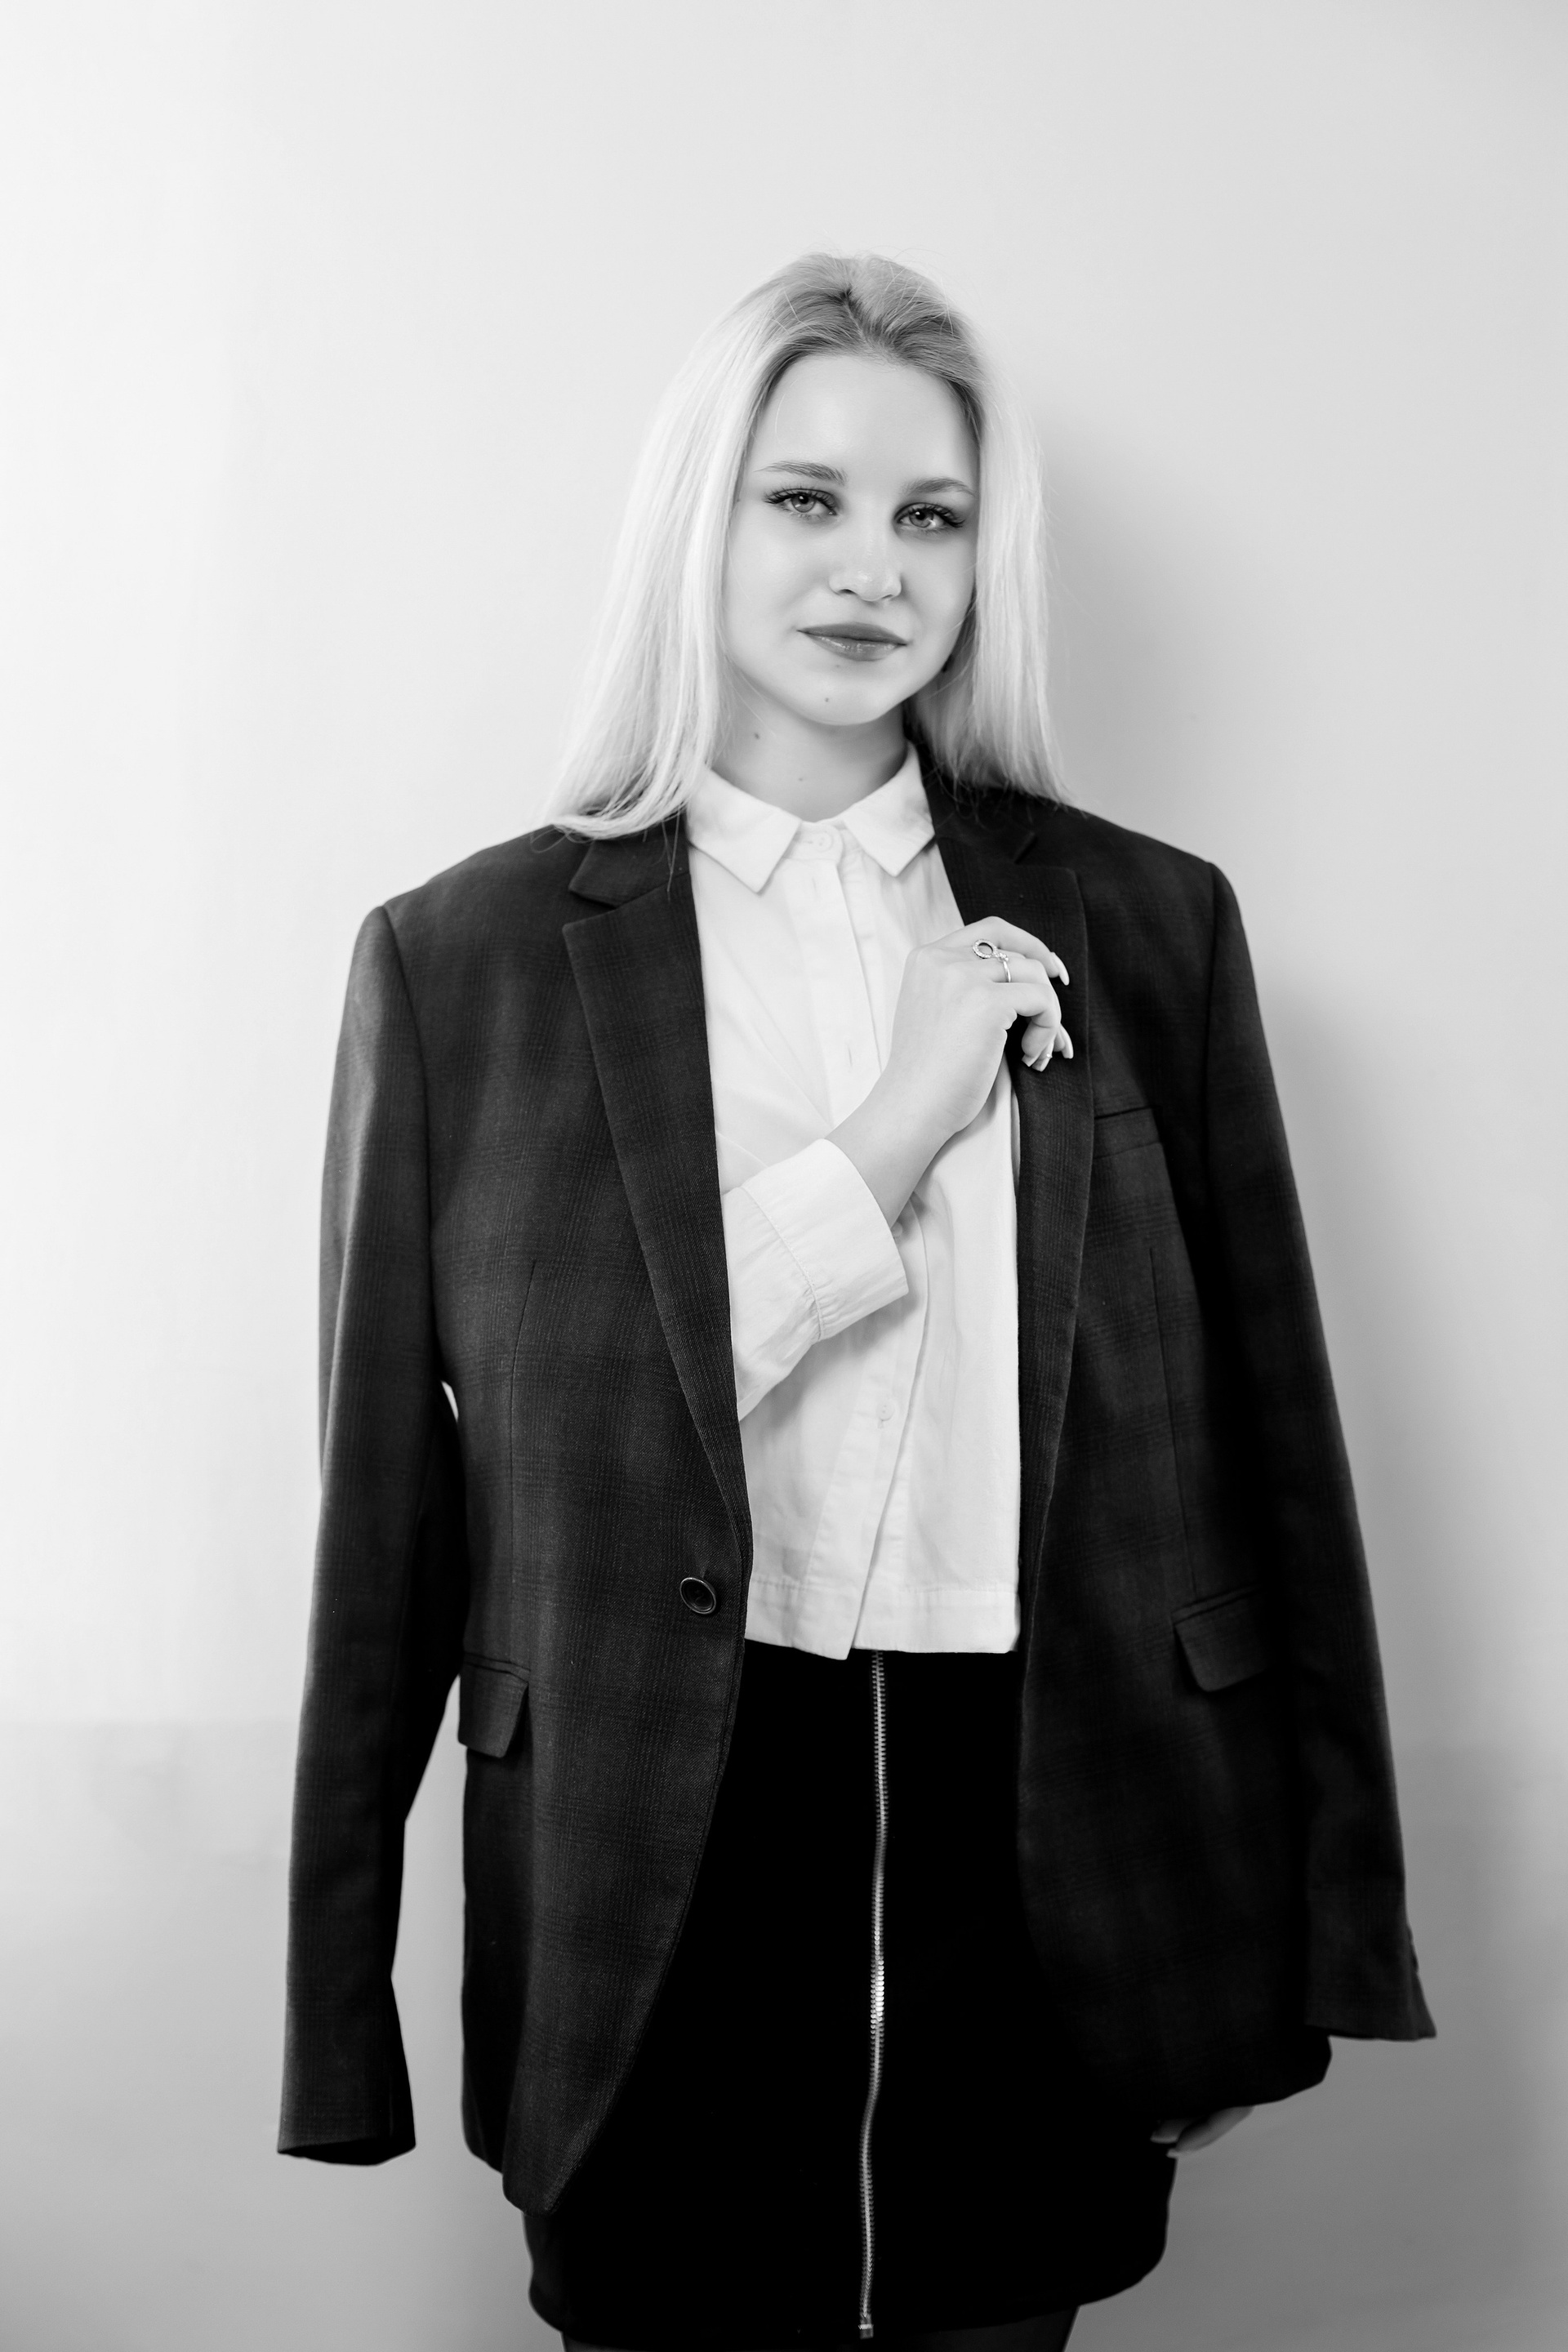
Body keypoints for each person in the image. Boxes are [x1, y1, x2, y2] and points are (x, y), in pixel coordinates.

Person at [278, 253, 1433, 2352]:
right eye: (805, 499)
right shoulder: (464, 964)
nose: (873, 569)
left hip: (1065, 1832)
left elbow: (1277, 1454)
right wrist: (897, 1129)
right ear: (699, 519)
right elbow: (425, 1512)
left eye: (932, 515)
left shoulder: (1149, 925)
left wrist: (1312, 1929)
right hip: (652, 1842)